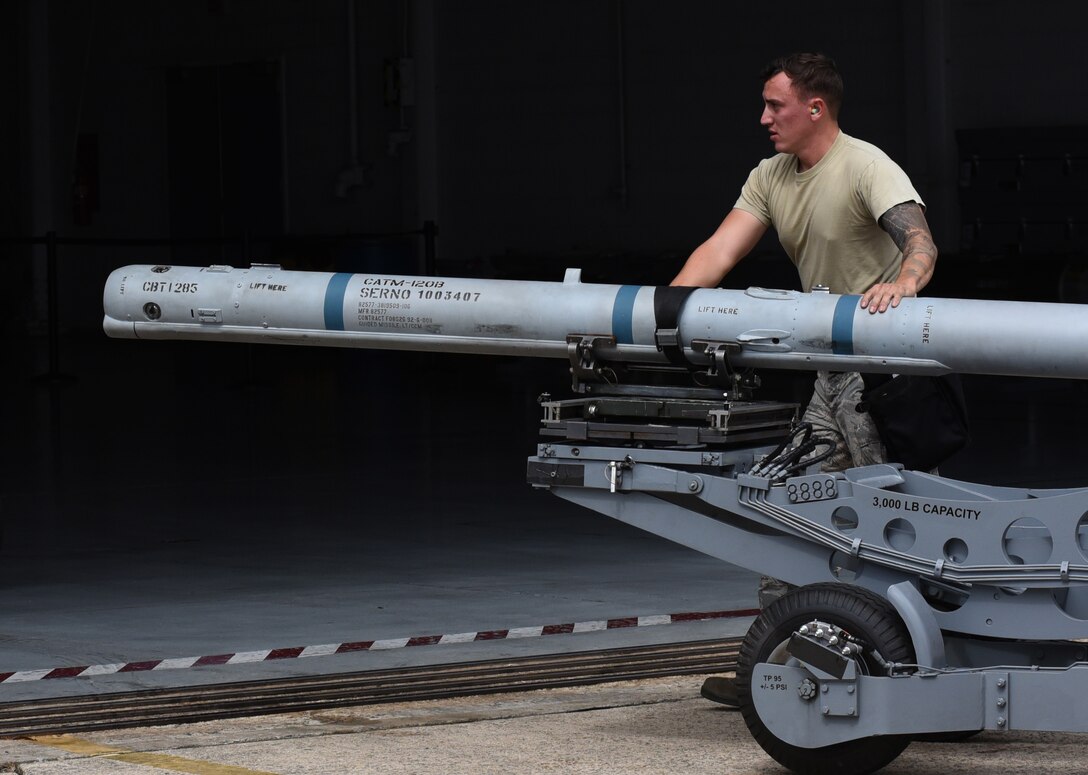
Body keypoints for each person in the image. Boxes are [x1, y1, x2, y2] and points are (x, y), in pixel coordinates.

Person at [671, 52, 938, 707]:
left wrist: (904, 282)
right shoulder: (771, 176)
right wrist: (662, 311)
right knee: (789, 500)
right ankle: (776, 660)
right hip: (828, 371)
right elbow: (720, 250)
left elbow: (920, 241)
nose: (764, 118)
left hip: (880, 371)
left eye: (775, 105)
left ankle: (917, 667)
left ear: (815, 108)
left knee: (889, 517)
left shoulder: (865, 165)